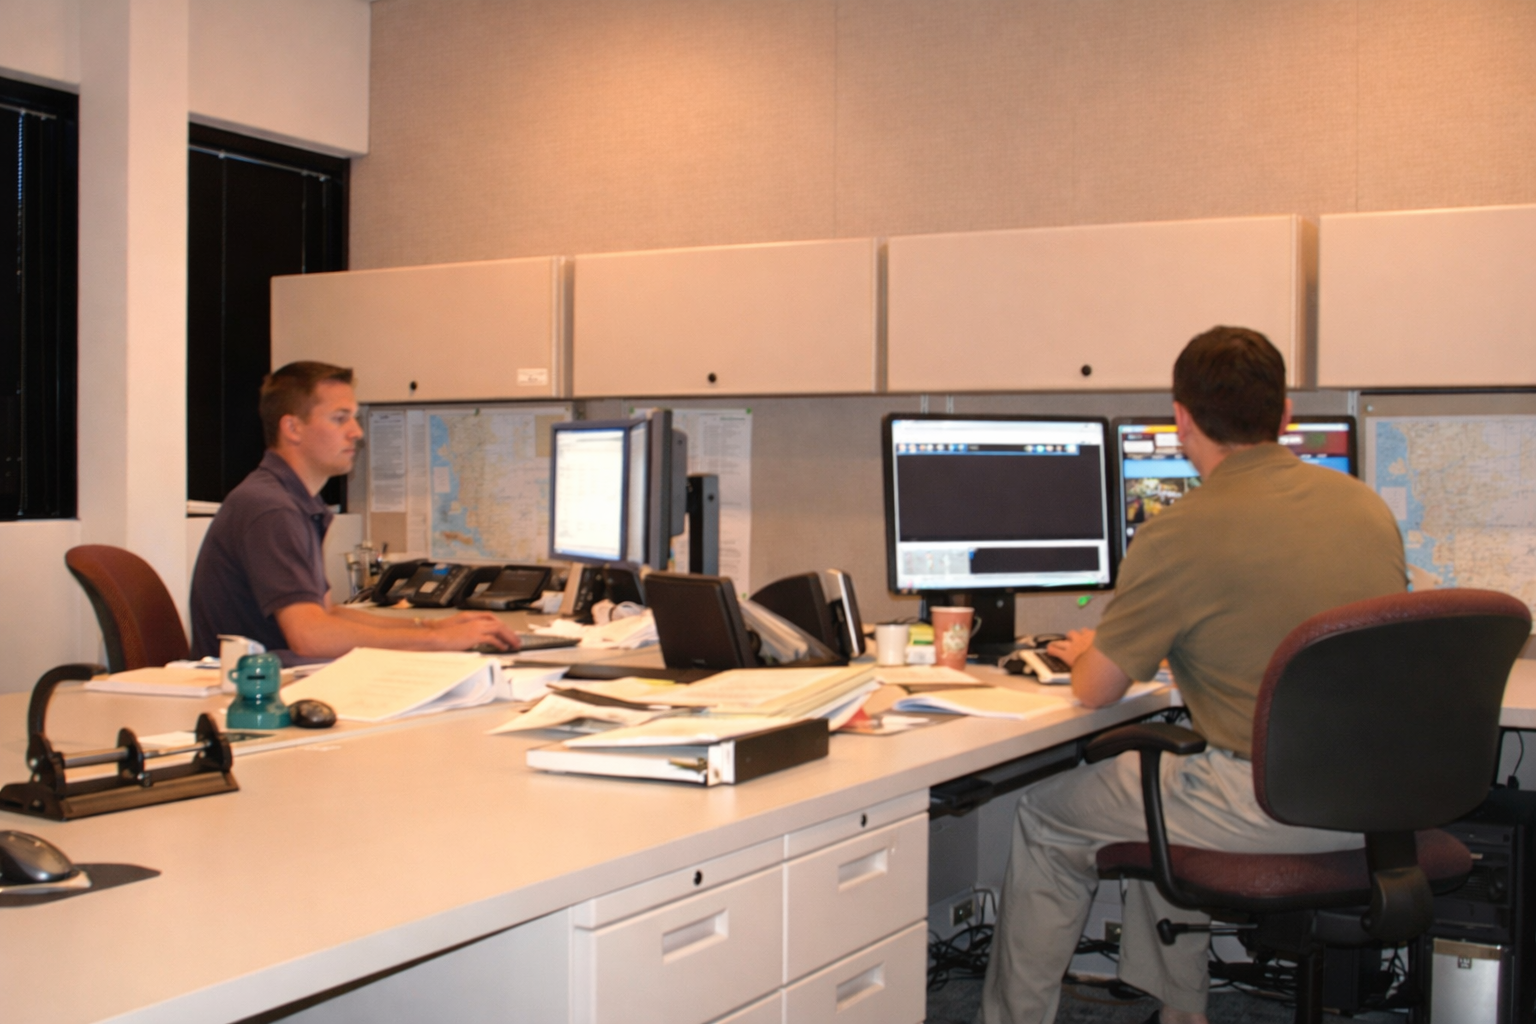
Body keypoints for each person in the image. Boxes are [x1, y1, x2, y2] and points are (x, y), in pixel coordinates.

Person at [980, 327, 1406, 1024]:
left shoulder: (1178, 532)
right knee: (1161, 788)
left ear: (1180, 417)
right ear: (1287, 412)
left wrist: (1090, 648)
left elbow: (1095, 690)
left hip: (1267, 805)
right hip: (1385, 804)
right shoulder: (1365, 506)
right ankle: (1178, 1011)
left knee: (1048, 817)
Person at [190, 361, 520, 662]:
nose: (356, 431)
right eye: (339, 418)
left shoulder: (289, 500)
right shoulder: (270, 508)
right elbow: (310, 636)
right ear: (292, 428)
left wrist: (432, 627)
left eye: (353, 417)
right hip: (252, 696)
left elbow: (326, 614)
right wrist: (438, 641)